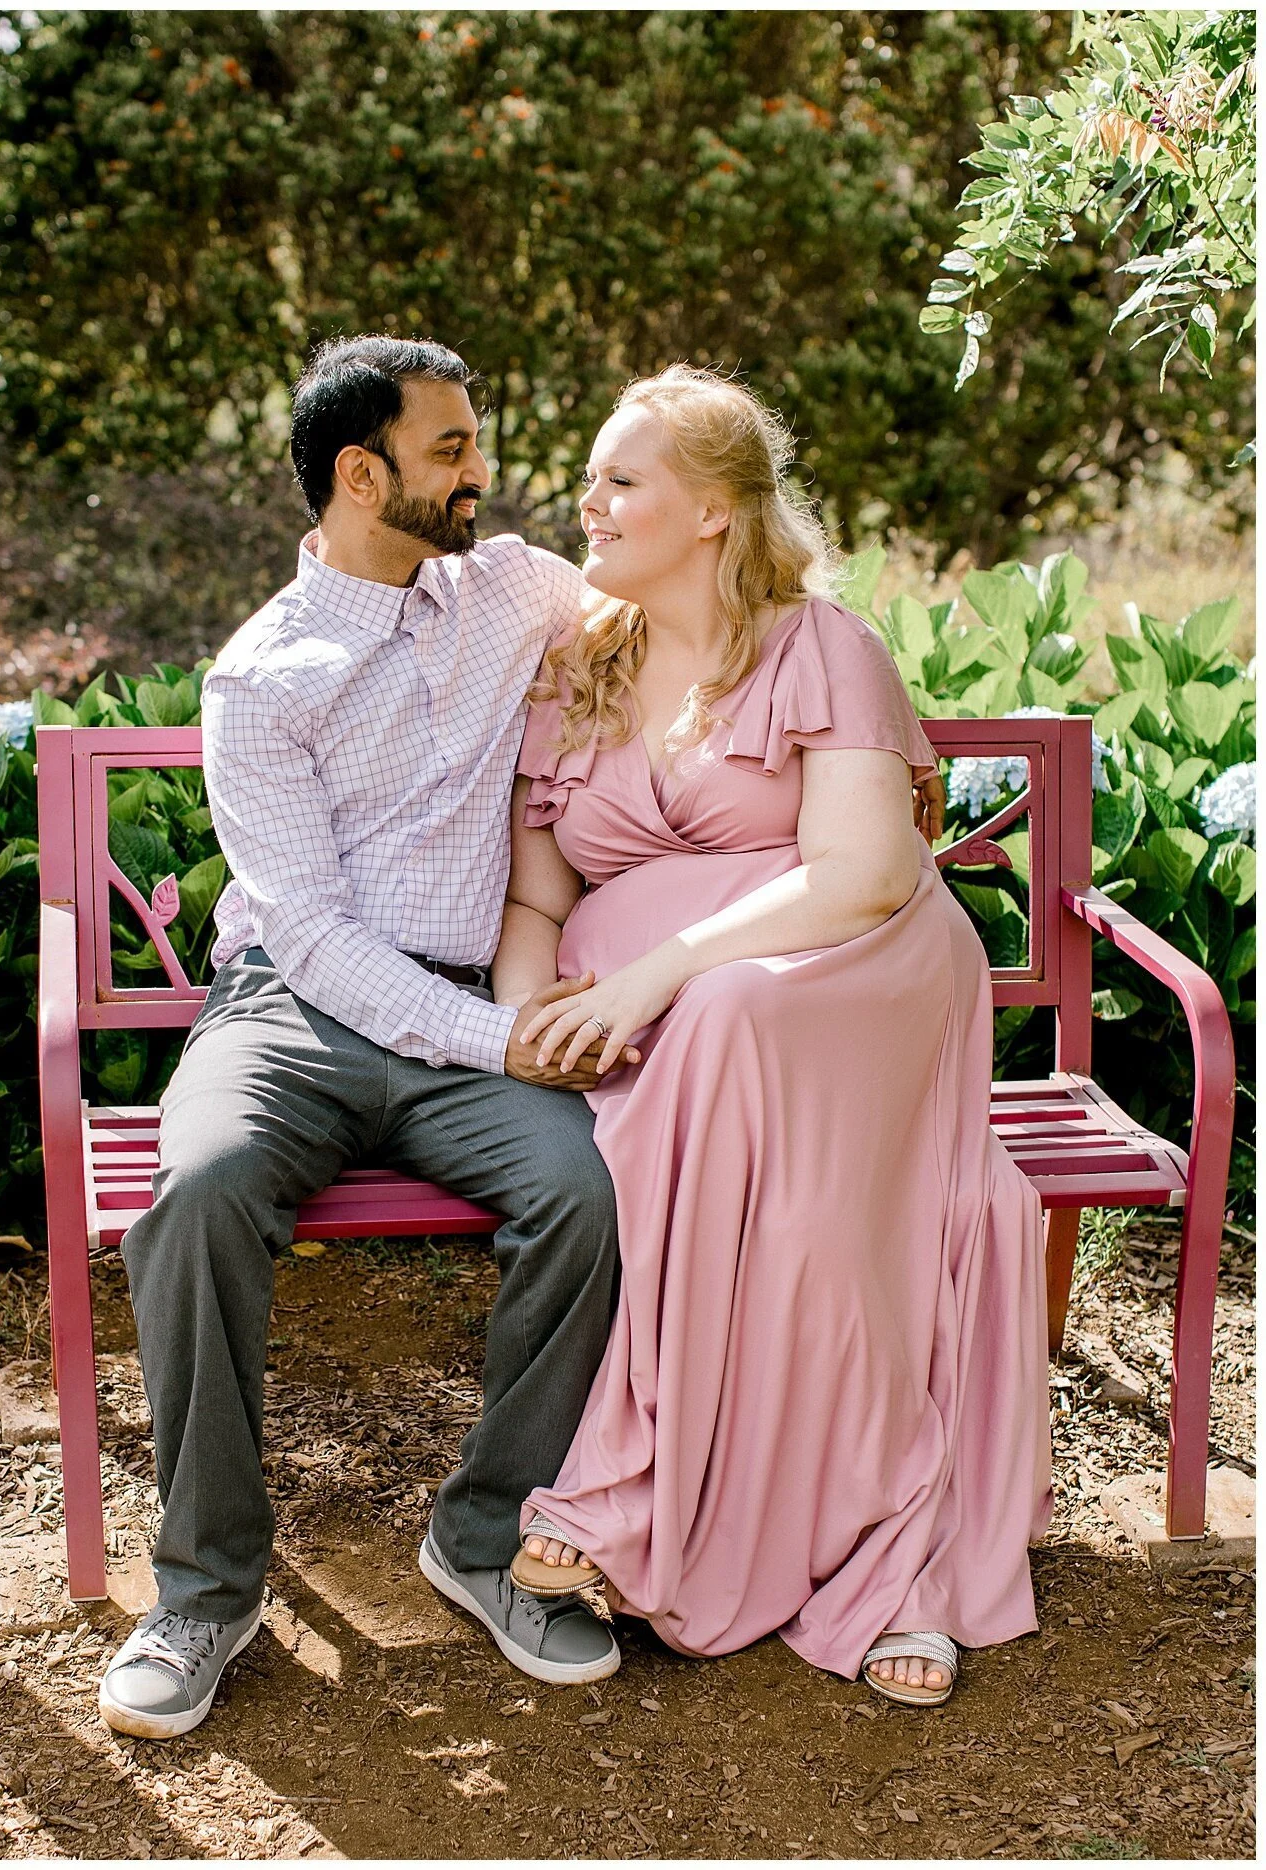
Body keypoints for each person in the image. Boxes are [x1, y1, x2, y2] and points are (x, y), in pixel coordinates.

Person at [99, 335, 641, 1738]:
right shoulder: (263, 678)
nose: (482, 470)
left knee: (587, 1194)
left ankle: (482, 1537)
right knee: (198, 1192)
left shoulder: (511, 587)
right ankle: (207, 1588)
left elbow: (671, 623)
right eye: (451, 447)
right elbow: (319, 937)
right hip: (297, 1008)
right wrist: (496, 1034)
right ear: (362, 472)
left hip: (467, 1003)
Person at [496, 365, 1053, 1708]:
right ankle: (692, 1500)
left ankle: (709, 1504)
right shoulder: (573, 666)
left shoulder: (824, 647)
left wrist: (659, 975)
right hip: (666, 1033)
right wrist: (521, 1018)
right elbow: (535, 892)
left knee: (734, 1023)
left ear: (714, 511)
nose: (592, 499)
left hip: (853, 980)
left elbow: (862, 872)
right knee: (722, 1076)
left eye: (623, 477)